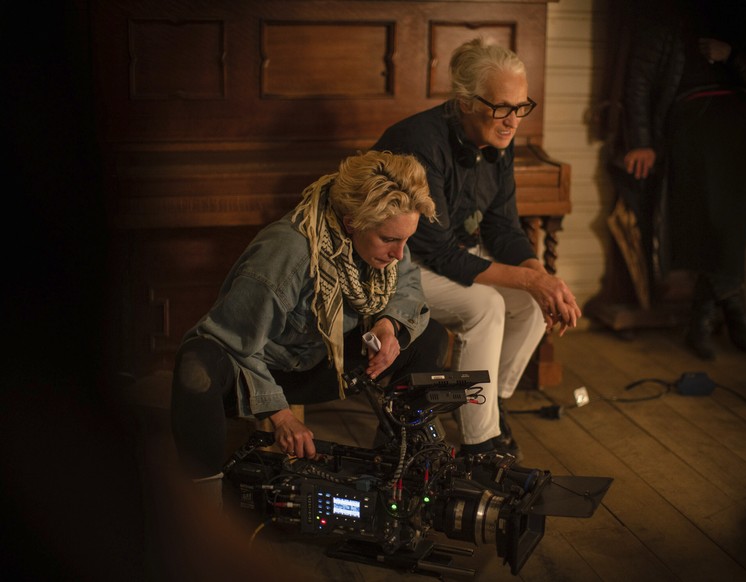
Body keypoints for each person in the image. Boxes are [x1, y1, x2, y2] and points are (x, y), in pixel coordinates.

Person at [170, 150, 447, 496]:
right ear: (351, 223)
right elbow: (232, 342)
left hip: (317, 361)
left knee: (429, 336)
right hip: (256, 371)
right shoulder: (288, 253)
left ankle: (396, 468)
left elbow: (405, 281)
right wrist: (281, 415)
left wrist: (388, 325)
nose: (399, 253)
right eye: (390, 240)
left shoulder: (386, 237)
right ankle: (201, 504)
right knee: (197, 365)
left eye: (406, 239)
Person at [372, 38, 581, 459]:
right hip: (401, 265)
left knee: (529, 302)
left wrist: (540, 277)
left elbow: (503, 226)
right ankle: (478, 443)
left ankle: (489, 404)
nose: (513, 120)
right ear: (466, 101)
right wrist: (532, 279)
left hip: (449, 257)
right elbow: (438, 252)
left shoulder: (499, 138)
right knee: (486, 306)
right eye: (501, 107)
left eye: (521, 107)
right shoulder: (420, 141)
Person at [622, 0, 746, 360]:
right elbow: (638, 83)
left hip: (738, 131)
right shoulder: (663, 18)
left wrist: (731, 55)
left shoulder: (731, 22)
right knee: (709, 223)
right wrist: (642, 141)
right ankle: (727, 302)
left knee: (734, 223)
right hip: (693, 130)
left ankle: (706, 314)